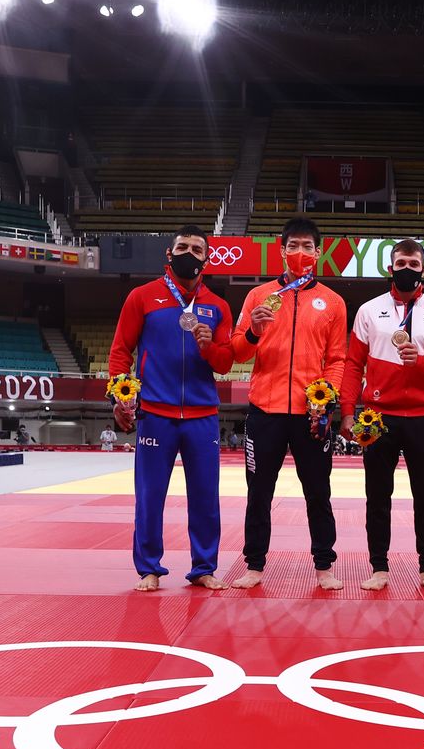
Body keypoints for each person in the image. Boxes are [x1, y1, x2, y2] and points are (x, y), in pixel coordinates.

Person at [108, 224, 235, 593]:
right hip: (156, 414)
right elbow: (120, 351)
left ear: (207, 260)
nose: (189, 254)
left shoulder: (218, 306)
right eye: (183, 247)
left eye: (197, 250)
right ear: (169, 253)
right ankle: (148, 568)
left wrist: (210, 346)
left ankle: (204, 567)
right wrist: (121, 392)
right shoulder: (143, 297)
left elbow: (225, 363)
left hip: (202, 417)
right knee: (149, 496)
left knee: (206, 498)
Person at [230, 217, 348, 592]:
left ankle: (324, 565)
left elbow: (338, 358)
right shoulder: (257, 297)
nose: (300, 253)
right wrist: (254, 331)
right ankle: (254, 564)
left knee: (318, 491)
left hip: (311, 414)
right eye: (293, 246)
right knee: (259, 491)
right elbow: (237, 352)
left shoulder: (333, 302)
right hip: (264, 411)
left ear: (318, 252)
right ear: (281, 251)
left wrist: (326, 396)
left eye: (307, 246)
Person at [339, 239, 424, 594]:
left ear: (423, 268)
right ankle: (379, 567)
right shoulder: (368, 310)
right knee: (377, 496)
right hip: (378, 416)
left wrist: (419, 362)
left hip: (422, 416)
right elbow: (352, 365)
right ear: (390, 268)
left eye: (413, 262)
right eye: (401, 262)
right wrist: (348, 411)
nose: (407, 267)